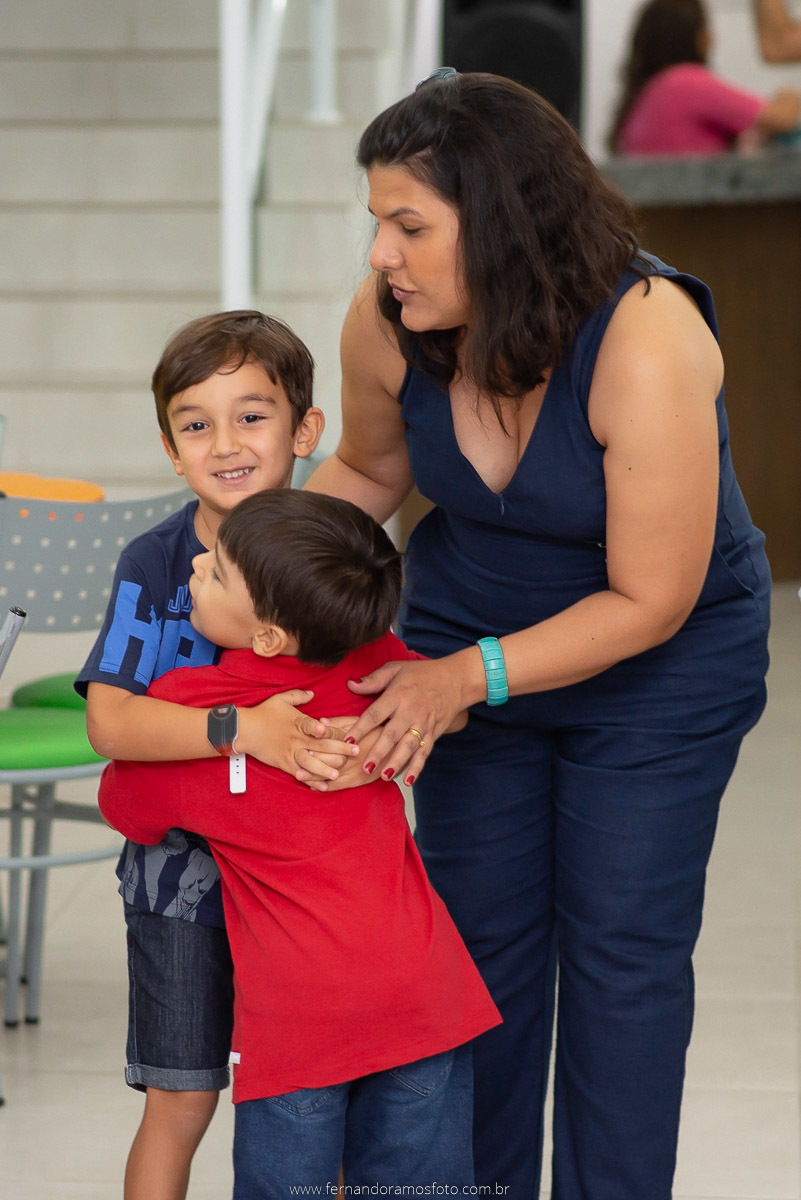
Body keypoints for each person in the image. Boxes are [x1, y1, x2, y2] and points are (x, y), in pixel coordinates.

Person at [305, 71, 772, 1198]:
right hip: (467, 641)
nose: (382, 255)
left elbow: (647, 600)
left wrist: (462, 679)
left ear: (504, 221)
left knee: (620, 959)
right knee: (479, 963)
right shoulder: (390, 322)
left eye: (409, 226)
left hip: (661, 671)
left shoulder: (647, 338)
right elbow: (371, 467)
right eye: (378, 224)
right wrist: (251, 577)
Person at [98, 488, 502, 1199]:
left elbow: (124, 804)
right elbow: (443, 708)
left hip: (300, 1027)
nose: (195, 566)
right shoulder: (374, 664)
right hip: (426, 998)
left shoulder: (196, 707)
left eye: (217, 573)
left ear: (266, 639)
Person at [76, 312, 359, 1200]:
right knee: (181, 1099)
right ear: (170, 449)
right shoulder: (154, 562)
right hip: (179, 889)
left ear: (304, 430)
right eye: (196, 424)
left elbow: (389, 691)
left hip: (313, 894)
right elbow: (112, 726)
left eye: (252, 415)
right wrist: (240, 729)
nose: (225, 443)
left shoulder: (334, 553)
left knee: (326, 1100)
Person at [609, 0, 800, 154]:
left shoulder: (645, 96)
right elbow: (781, 117)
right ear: (700, 38)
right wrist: (788, 96)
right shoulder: (684, 83)